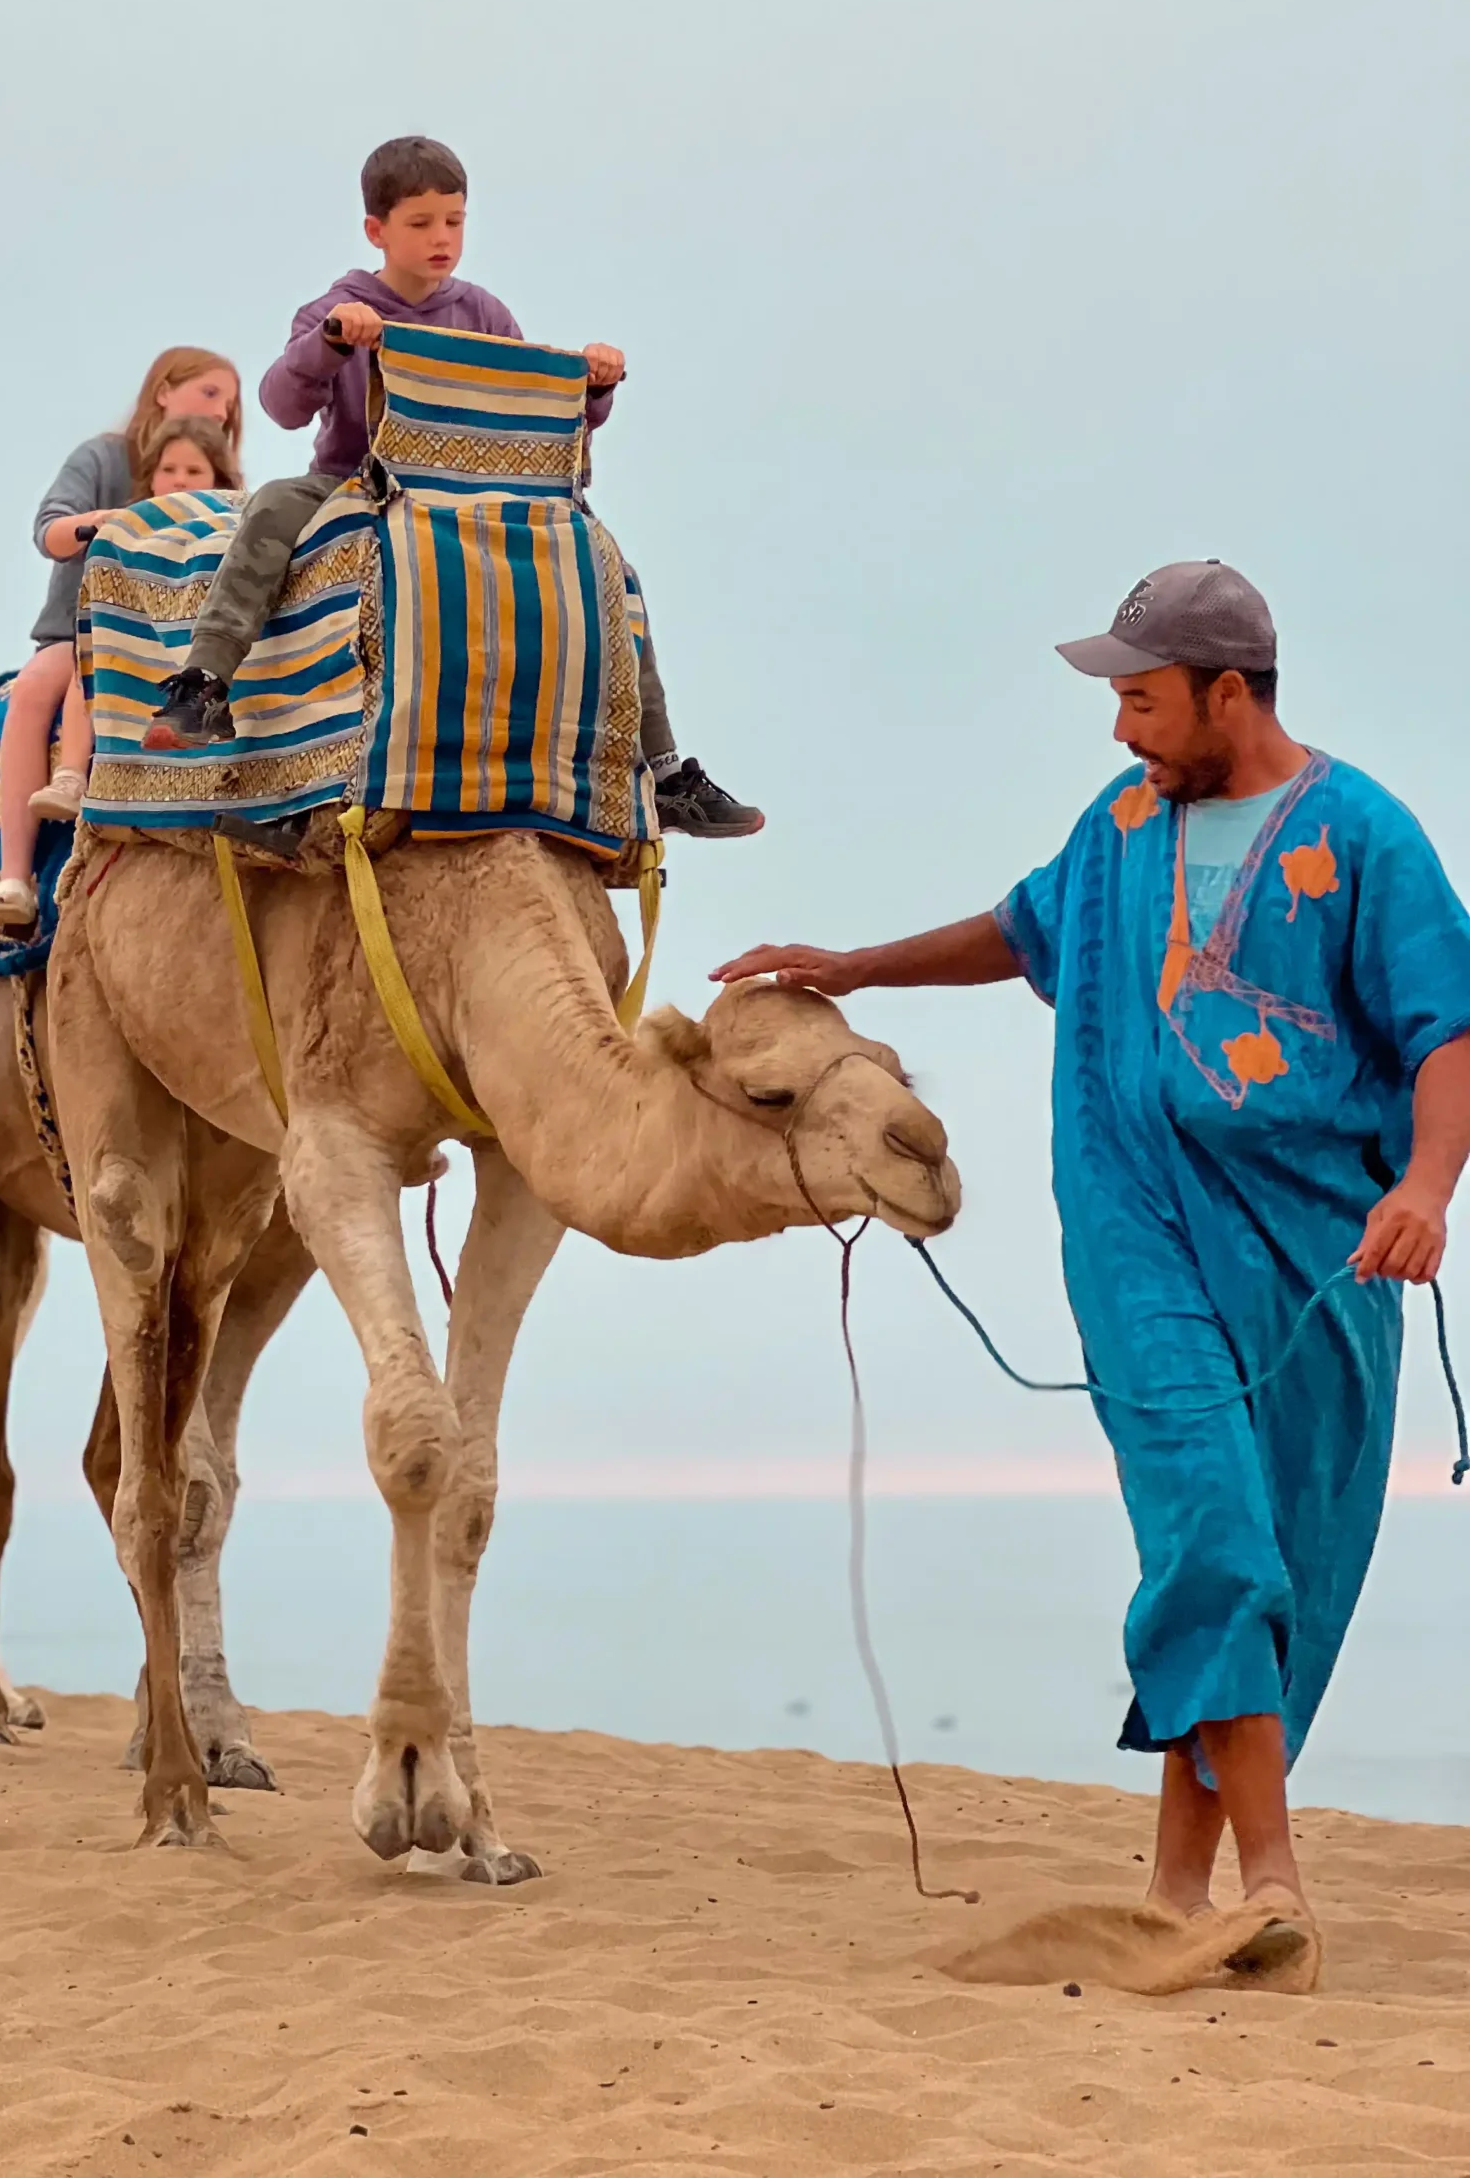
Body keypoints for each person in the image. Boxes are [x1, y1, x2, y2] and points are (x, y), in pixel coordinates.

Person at [714, 560, 1470, 1983]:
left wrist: (1427, 1190)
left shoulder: (1365, 835)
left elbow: (1450, 1029)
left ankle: (1178, 1892)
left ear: (1227, 692)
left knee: (1281, 1565)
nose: (1119, 732)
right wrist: (854, 968)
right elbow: (1021, 931)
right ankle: (1274, 1879)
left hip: (1324, 1254)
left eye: (1140, 700)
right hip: (1136, 1232)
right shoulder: (1119, 826)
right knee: (1214, 1537)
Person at [141, 136, 761, 847]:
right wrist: (334, 343)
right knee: (276, 504)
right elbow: (282, 403)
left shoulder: (484, 314)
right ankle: (203, 684)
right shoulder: (338, 307)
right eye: (421, 224)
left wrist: (592, 391)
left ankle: (662, 768)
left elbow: (530, 417)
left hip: (471, 495)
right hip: (354, 482)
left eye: (455, 221)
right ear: (377, 231)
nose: (442, 239)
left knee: (606, 562)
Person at [0, 348, 244, 930]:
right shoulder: (105, 459)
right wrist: (97, 526)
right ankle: (13, 878)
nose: (221, 412)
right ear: (162, 392)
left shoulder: (219, 494)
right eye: (209, 394)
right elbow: (49, 529)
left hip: (174, 637)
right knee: (37, 685)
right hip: (77, 629)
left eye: (228, 403)